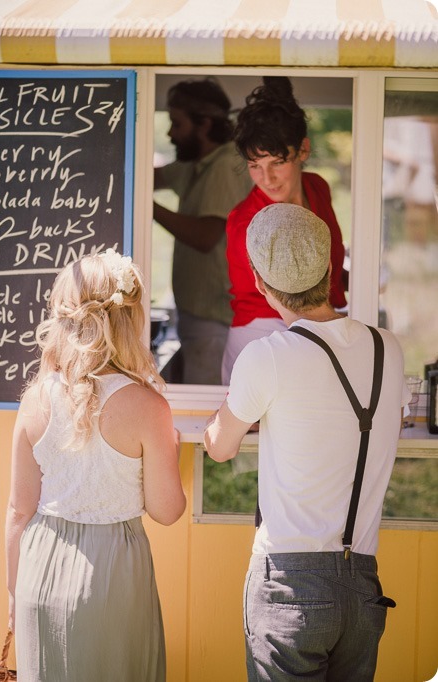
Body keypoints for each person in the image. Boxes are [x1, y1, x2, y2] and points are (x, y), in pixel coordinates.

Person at [205, 204, 410, 681]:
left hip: (288, 586)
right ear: (329, 268)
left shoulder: (268, 356)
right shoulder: (388, 348)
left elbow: (220, 446)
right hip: (362, 584)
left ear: (259, 281)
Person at [5, 249, 186, 682]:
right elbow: (167, 510)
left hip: (39, 566)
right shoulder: (148, 407)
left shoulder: (35, 399)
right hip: (113, 573)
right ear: (130, 320)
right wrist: (170, 451)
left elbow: (18, 510)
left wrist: (14, 594)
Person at [222, 76, 347, 384]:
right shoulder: (244, 220)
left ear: (303, 150)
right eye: (255, 166)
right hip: (260, 335)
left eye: (277, 162)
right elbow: (275, 299)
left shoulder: (318, 188)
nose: (267, 178)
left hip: (323, 328)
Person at [154, 77, 253, 385]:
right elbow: (146, 176)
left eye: (177, 124)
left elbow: (205, 236)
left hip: (214, 322)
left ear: (204, 124)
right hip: (198, 319)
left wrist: (145, 205)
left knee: (204, 416)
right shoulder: (197, 163)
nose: (170, 133)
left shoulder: (224, 165)